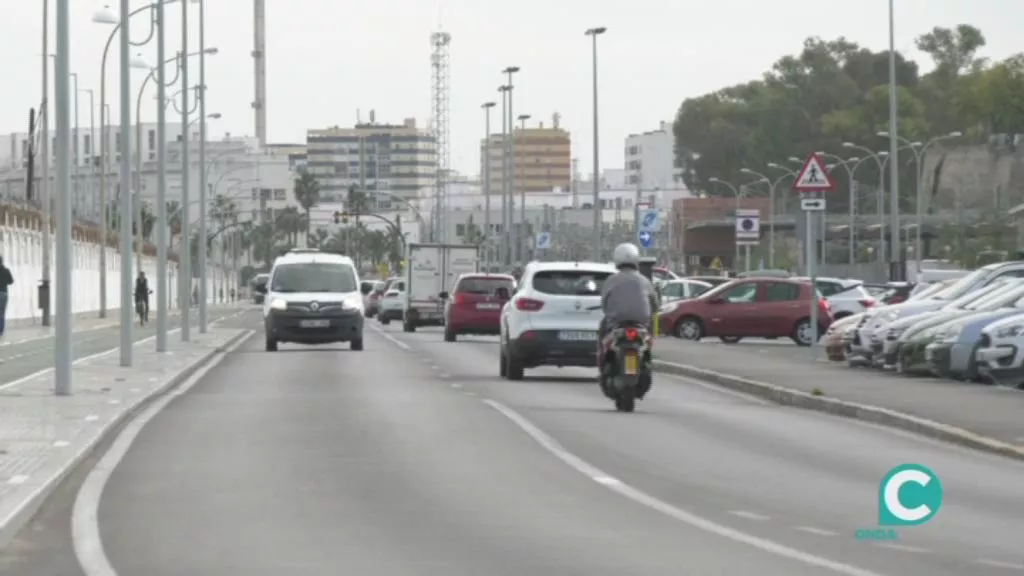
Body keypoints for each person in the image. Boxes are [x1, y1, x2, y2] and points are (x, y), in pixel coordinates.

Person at [599, 243, 659, 395]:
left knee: (603, 336)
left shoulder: (611, 280)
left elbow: (604, 303)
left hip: (617, 324)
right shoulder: (645, 281)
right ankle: (644, 361)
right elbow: (655, 304)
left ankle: (601, 363)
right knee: (647, 345)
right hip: (641, 325)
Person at [0, 257, 13, 338]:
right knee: (2, 313)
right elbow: (11, 281)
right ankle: (0, 331)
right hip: (4, 293)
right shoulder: (6, 270)